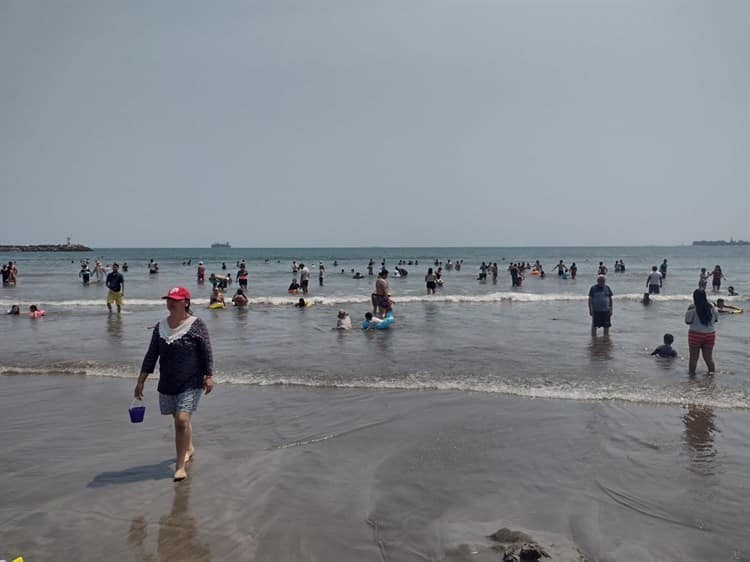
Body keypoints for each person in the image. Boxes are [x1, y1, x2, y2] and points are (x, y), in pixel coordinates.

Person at [134, 287, 213, 482]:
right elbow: (152, 355)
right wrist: (140, 381)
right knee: (179, 420)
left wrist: (209, 375)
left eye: (175, 300)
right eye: (169, 300)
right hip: (168, 382)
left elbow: (206, 352)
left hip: (191, 381)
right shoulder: (160, 326)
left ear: (186, 302)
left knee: (181, 421)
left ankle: (179, 467)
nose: (171, 303)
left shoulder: (196, 325)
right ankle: (189, 447)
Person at [685, 289, 718, 375]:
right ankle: (711, 376)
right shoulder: (712, 307)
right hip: (710, 335)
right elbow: (716, 320)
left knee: (693, 358)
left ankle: (691, 377)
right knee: (708, 358)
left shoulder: (692, 308)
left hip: (695, 334)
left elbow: (687, 321)